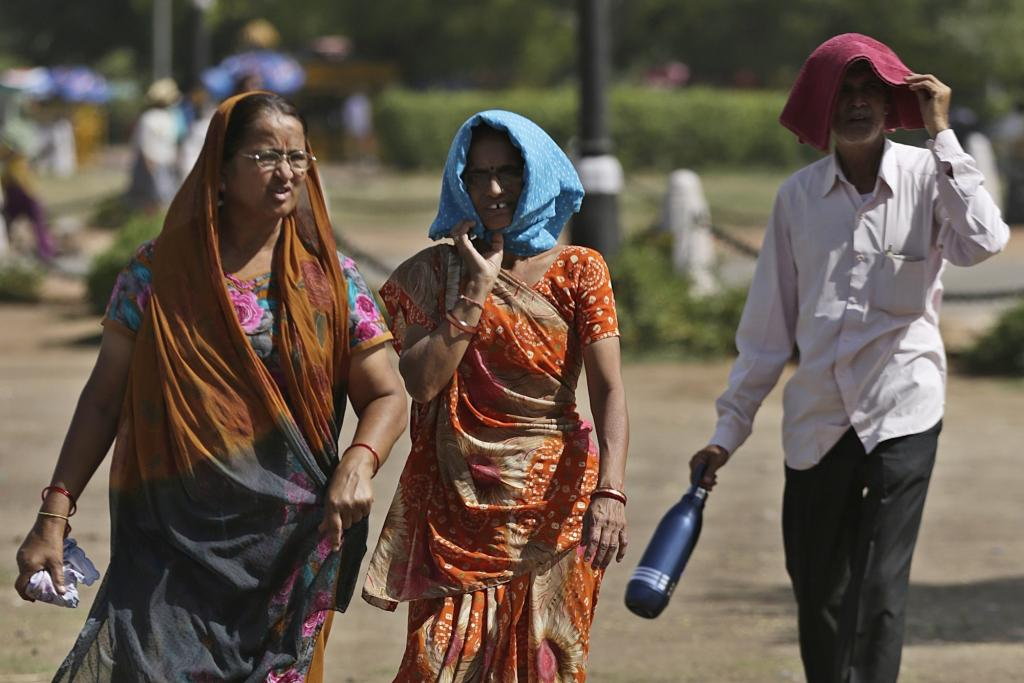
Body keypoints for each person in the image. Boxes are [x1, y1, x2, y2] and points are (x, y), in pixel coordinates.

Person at [14, 91, 407, 681]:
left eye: (298, 158)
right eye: (266, 156)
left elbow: (387, 393)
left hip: (288, 546)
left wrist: (360, 458)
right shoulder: (157, 274)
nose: (287, 173)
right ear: (220, 168)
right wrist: (54, 513)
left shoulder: (331, 281)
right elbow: (103, 399)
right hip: (169, 541)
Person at [689, 34, 1009, 683]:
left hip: (903, 410)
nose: (857, 103)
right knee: (818, 590)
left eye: (871, 90)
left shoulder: (929, 177)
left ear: (894, 103)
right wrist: (727, 433)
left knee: (879, 588)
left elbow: (985, 239)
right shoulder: (797, 200)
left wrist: (942, 134)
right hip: (817, 422)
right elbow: (767, 333)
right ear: (821, 107)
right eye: (844, 91)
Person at [362, 110, 630, 682]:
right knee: (438, 665)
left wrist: (612, 491)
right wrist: (475, 289)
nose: (492, 189)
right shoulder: (432, 276)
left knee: (543, 669)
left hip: (555, 512)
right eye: (477, 174)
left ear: (538, 174)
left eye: (508, 172)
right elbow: (422, 382)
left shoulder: (579, 270)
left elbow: (608, 390)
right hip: (455, 510)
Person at [126, 78, 183, 212]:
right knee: (153, 197)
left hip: (164, 162)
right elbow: (145, 144)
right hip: (155, 163)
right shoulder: (150, 118)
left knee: (163, 196)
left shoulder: (166, 117)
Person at [1, 133, 57, 262]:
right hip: (16, 201)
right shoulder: (11, 166)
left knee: (39, 227)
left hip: (28, 199)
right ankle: (10, 249)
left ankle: (46, 253)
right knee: (8, 223)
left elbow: (23, 183)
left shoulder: (19, 163)